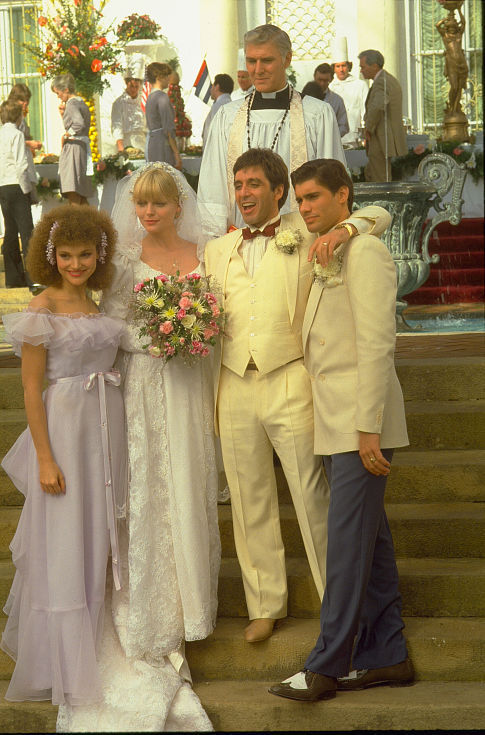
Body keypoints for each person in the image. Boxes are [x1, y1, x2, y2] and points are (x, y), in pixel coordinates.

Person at [56, 162, 220, 731]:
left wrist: (194, 330)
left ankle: (192, 605)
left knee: (189, 486)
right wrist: (163, 333)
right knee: (148, 491)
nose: (147, 213)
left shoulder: (208, 254)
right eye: (141, 205)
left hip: (192, 388)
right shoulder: (124, 264)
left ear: (179, 206)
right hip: (143, 387)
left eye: (159, 204)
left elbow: (221, 316)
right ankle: (148, 615)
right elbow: (113, 327)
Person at [204, 147, 391, 644]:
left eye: (254, 185)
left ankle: (339, 606)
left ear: (277, 190)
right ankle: (264, 605)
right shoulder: (217, 250)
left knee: (313, 496)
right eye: (238, 185)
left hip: (290, 376)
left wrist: (346, 229)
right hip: (232, 380)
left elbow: (378, 214)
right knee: (248, 499)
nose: (244, 193)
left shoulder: (307, 229)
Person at [268, 158, 412, 703]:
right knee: (370, 542)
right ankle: (389, 655)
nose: (303, 208)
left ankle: (326, 665)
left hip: (358, 425)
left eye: (312, 198)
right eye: (299, 199)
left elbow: (378, 345)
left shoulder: (365, 250)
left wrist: (368, 429)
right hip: (332, 421)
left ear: (342, 196)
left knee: (347, 543)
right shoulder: (332, 244)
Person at [0, 204, 127, 706]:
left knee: (98, 532)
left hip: (105, 429)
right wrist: (45, 458)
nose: (77, 265)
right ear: (51, 257)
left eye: (86, 255)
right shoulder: (41, 311)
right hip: (64, 433)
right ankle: (64, 664)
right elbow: (33, 391)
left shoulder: (99, 305)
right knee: (64, 539)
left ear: (100, 254)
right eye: (68, 256)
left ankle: (98, 644)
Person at [198, 24, 345, 239]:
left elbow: (332, 183)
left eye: (267, 60)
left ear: (286, 60)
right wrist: (214, 243)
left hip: (301, 243)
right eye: (251, 61)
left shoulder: (317, 114)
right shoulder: (226, 117)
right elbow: (212, 186)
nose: (258, 70)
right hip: (240, 243)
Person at [0, 100, 36, 290]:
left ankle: (13, 278)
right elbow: (21, 165)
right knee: (27, 231)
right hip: (16, 184)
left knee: (10, 231)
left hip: (3, 186)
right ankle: (33, 279)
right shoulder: (17, 134)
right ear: (18, 116)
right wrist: (27, 190)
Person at [358, 50, 407, 182]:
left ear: (374, 66)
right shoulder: (387, 79)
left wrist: (368, 128)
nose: (361, 71)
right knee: (372, 173)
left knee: (379, 178)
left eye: (363, 67)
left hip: (381, 137)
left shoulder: (381, 82)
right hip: (385, 136)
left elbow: (377, 107)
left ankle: (381, 203)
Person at [51, 73, 94, 204]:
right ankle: (92, 222)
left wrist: (67, 134)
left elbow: (78, 124)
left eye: (58, 93)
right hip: (80, 147)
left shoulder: (72, 104)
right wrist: (63, 115)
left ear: (66, 90)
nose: (58, 97)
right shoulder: (81, 102)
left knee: (73, 189)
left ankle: (75, 222)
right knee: (80, 192)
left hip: (73, 149)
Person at [329, 37, 368, 147]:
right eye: (338, 66)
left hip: (356, 138)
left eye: (343, 66)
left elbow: (366, 111)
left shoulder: (360, 85)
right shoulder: (331, 87)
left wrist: (364, 135)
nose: (341, 69)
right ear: (334, 68)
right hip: (337, 138)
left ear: (348, 66)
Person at [145, 62, 182, 170]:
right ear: (160, 77)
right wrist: (176, 154)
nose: (168, 79)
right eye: (166, 76)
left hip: (152, 143)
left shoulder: (150, 97)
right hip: (162, 145)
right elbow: (168, 130)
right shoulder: (162, 97)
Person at [436, 5, 468, 114]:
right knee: (454, 86)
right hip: (452, 64)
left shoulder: (459, 35)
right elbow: (437, 25)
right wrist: (445, 19)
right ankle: (451, 106)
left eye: (454, 27)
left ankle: (455, 109)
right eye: (451, 27)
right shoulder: (446, 36)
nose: (453, 29)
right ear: (448, 28)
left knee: (459, 87)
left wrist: (459, 10)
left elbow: (463, 23)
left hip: (461, 63)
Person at [111, 56, 147, 152]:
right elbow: (117, 125)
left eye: (136, 86)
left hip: (142, 143)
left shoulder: (143, 101)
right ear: (126, 84)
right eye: (131, 86)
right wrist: (120, 147)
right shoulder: (119, 103)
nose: (134, 89)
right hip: (126, 142)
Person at [312, 63, 349, 138]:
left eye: (325, 81)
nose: (322, 84)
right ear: (314, 77)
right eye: (319, 80)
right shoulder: (305, 97)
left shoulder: (337, 100)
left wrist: (329, 136)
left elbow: (343, 126)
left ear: (331, 80)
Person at [202, 73, 234, 147]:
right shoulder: (232, 105)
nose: (211, 89)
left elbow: (213, 133)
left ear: (217, 87)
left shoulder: (218, 106)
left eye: (212, 85)